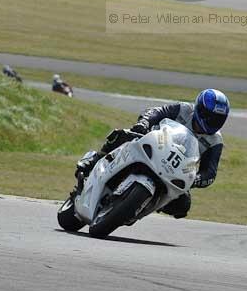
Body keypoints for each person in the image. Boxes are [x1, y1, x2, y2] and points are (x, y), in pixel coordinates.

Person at [76, 88, 230, 219]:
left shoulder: (215, 141)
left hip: (175, 170)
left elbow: (210, 173)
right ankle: (95, 159)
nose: (213, 122)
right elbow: (156, 112)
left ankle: (145, 202)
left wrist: (195, 179)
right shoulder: (184, 110)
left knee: (183, 205)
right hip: (153, 145)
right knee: (121, 135)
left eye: (218, 119)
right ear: (200, 110)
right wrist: (143, 124)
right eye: (211, 117)